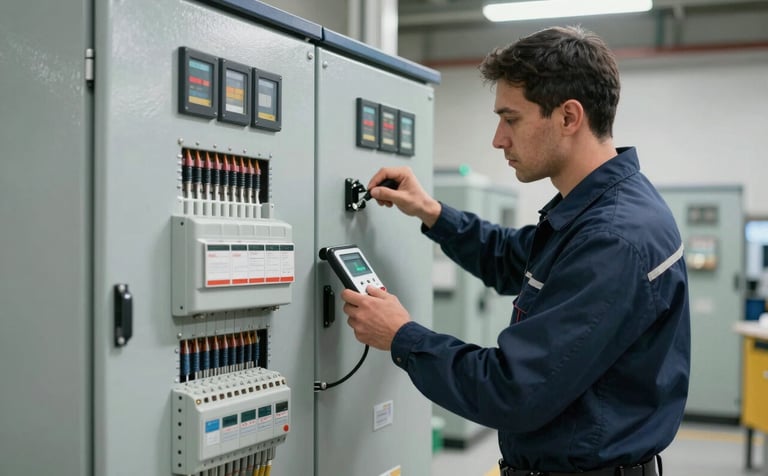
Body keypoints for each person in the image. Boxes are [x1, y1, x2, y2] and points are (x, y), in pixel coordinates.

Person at [340, 25, 690, 475]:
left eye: (512, 119)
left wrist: (402, 335)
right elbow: (510, 257)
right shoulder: (595, 212)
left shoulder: (613, 238)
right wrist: (430, 211)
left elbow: (513, 389)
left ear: (568, 117)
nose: (498, 138)